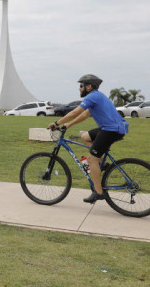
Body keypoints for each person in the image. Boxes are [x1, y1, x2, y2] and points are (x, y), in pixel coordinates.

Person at [48, 74, 128, 203]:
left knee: (91, 159)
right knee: (85, 136)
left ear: (89, 86)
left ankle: (99, 192)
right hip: (110, 128)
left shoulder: (93, 96)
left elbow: (75, 112)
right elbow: (85, 114)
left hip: (111, 130)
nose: (79, 88)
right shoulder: (97, 96)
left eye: (81, 86)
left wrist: (57, 123)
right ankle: (102, 164)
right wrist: (68, 124)